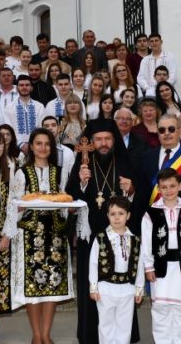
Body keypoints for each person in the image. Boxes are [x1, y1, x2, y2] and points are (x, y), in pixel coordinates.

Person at [67, 119, 140, 344]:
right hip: (92, 238)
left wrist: (131, 190)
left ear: (114, 140)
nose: (104, 143)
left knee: (121, 291)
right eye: (98, 139)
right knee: (93, 288)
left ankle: (123, 337)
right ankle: (91, 336)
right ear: (91, 143)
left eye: (108, 138)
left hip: (119, 237)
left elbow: (139, 197)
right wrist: (81, 184)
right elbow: (71, 197)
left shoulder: (125, 163)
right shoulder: (83, 164)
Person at [8, 128, 74, 344]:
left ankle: (46, 334)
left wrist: (69, 207)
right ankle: (36, 335)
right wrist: (27, 203)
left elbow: (64, 197)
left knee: (52, 287)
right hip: (30, 234)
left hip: (55, 234)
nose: (43, 148)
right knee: (33, 288)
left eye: (47, 144)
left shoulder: (59, 170)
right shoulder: (22, 172)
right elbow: (15, 203)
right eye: (38, 143)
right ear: (32, 147)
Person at [141, 168, 181, 344]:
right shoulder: (151, 213)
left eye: (172, 186)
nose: (168, 190)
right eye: (164, 187)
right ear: (158, 189)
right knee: (161, 311)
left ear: (180, 186)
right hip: (162, 268)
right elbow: (146, 242)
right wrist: (149, 267)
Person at [88, 196, 144, 344]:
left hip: (127, 289)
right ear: (107, 216)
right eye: (113, 214)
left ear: (128, 215)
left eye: (121, 213)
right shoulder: (100, 238)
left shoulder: (135, 240)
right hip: (105, 289)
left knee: (124, 326)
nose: (117, 218)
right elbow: (93, 263)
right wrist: (93, 287)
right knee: (106, 325)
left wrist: (139, 288)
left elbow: (139, 264)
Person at [3, 75, 46, 152]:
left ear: (31, 88)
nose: (24, 87)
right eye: (21, 85)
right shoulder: (9, 107)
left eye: (27, 85)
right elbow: (9, 129)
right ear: (17, 88)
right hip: (15, 147)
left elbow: (42, 127)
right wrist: (21, 144)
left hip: (37, 147)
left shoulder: (39, 106)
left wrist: (34, 144)